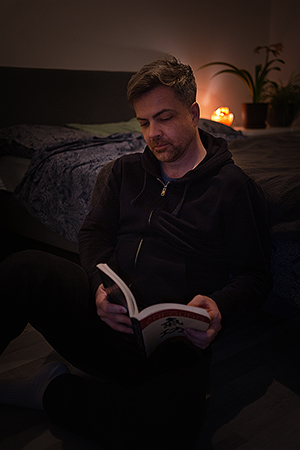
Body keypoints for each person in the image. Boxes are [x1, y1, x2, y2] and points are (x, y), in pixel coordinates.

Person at [0, 56, 272, 450]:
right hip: (104, 322)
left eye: (164, 118)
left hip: (171, 346)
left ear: (194, 113)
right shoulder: (124, 172)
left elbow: (256, 277)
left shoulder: (234, 189)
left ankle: (48, 390)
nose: (153, 134)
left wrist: (219, 307)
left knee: (167, 433)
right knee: (26, 267)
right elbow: (94, 232)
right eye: (144, 123)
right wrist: (97, 285)